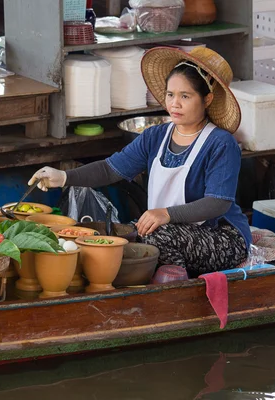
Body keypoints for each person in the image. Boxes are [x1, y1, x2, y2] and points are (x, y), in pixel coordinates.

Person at [28, 47, 252, 278]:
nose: (174, 103)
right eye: (170, 94)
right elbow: (109, 169)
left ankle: (175, 290)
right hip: (170, 229)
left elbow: (218, 203)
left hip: (222, 237)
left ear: (207, 99)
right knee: (123, 236)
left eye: (185, 96)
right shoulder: (155, 136)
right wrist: (64, 177)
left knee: (157, 238)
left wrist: (166, 214)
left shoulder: (220, 143)